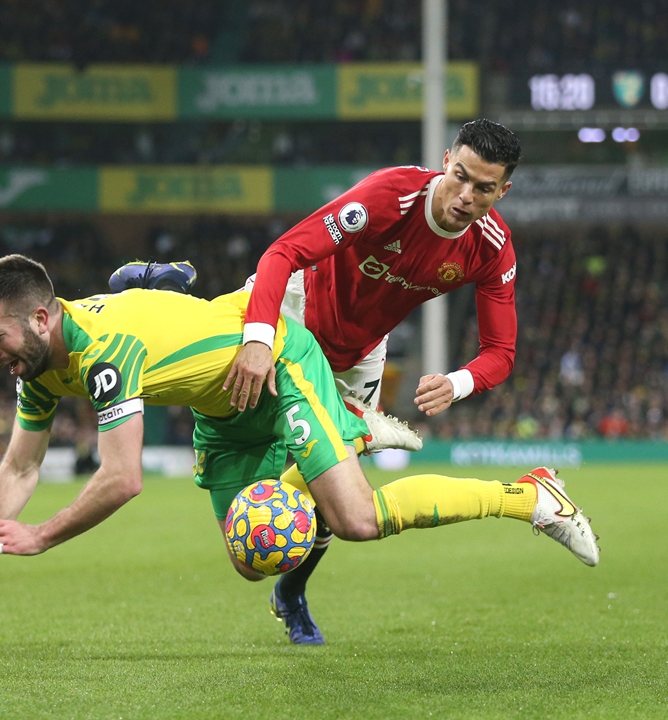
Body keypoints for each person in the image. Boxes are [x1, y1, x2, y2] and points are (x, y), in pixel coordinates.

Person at [0, 255, 598, 628]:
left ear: (38, 317)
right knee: (252, 558)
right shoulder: (38, 363)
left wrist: (37, 537)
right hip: (221, 411)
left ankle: (526, 495)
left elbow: (122, 479)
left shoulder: (103, 349)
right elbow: (19, 466)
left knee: (355, 519)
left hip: (273, 366)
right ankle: (347, 436)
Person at [109, 118, 523, 643]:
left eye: (483, 188)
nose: (465, 196)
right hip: (292, 309)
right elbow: (284, 253)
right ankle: (162, 290)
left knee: (333, 506)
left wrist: (459, 382)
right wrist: (259, 338)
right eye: (460, 176)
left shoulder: (491, 247)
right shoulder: (387, 198)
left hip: (357, 359)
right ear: (445, 160)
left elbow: (501, 353)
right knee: (244, 552)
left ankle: (292, 594)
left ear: (503, 190)